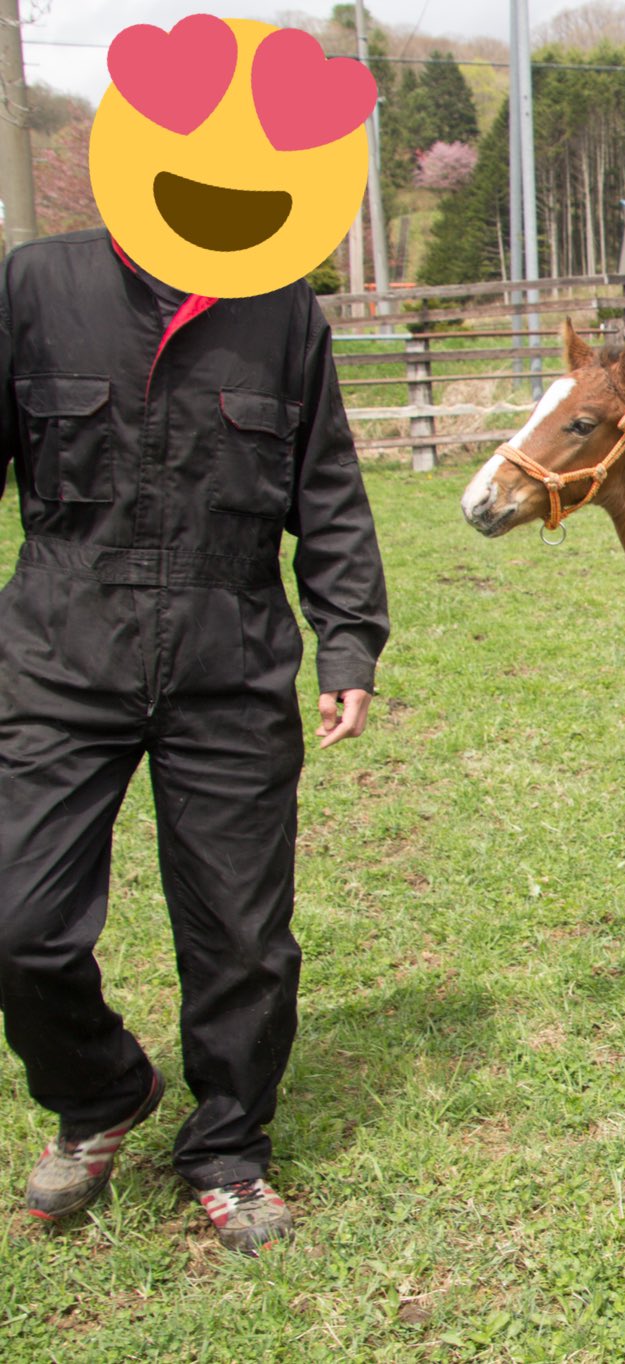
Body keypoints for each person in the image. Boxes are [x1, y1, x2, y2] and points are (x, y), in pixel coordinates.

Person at [0, 228, 387, 1254]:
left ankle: (226, 1149)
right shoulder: (37, 285)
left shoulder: (281, 309)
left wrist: (348, 640)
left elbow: (327, 486)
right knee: (16, 921)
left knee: (241, 938)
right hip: (59, 652)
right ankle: (100, 1089)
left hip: (232, 662)